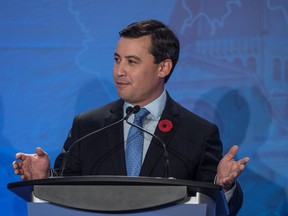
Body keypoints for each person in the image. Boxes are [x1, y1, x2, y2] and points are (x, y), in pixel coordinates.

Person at [12, 20, 249, 215]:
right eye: (117, 60)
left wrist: (224, 186)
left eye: (131, 61)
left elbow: (222, 207)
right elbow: (66, 191)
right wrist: (45, 179)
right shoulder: (87, 126)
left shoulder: (198, 133)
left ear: (163, 68)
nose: (119, 71)